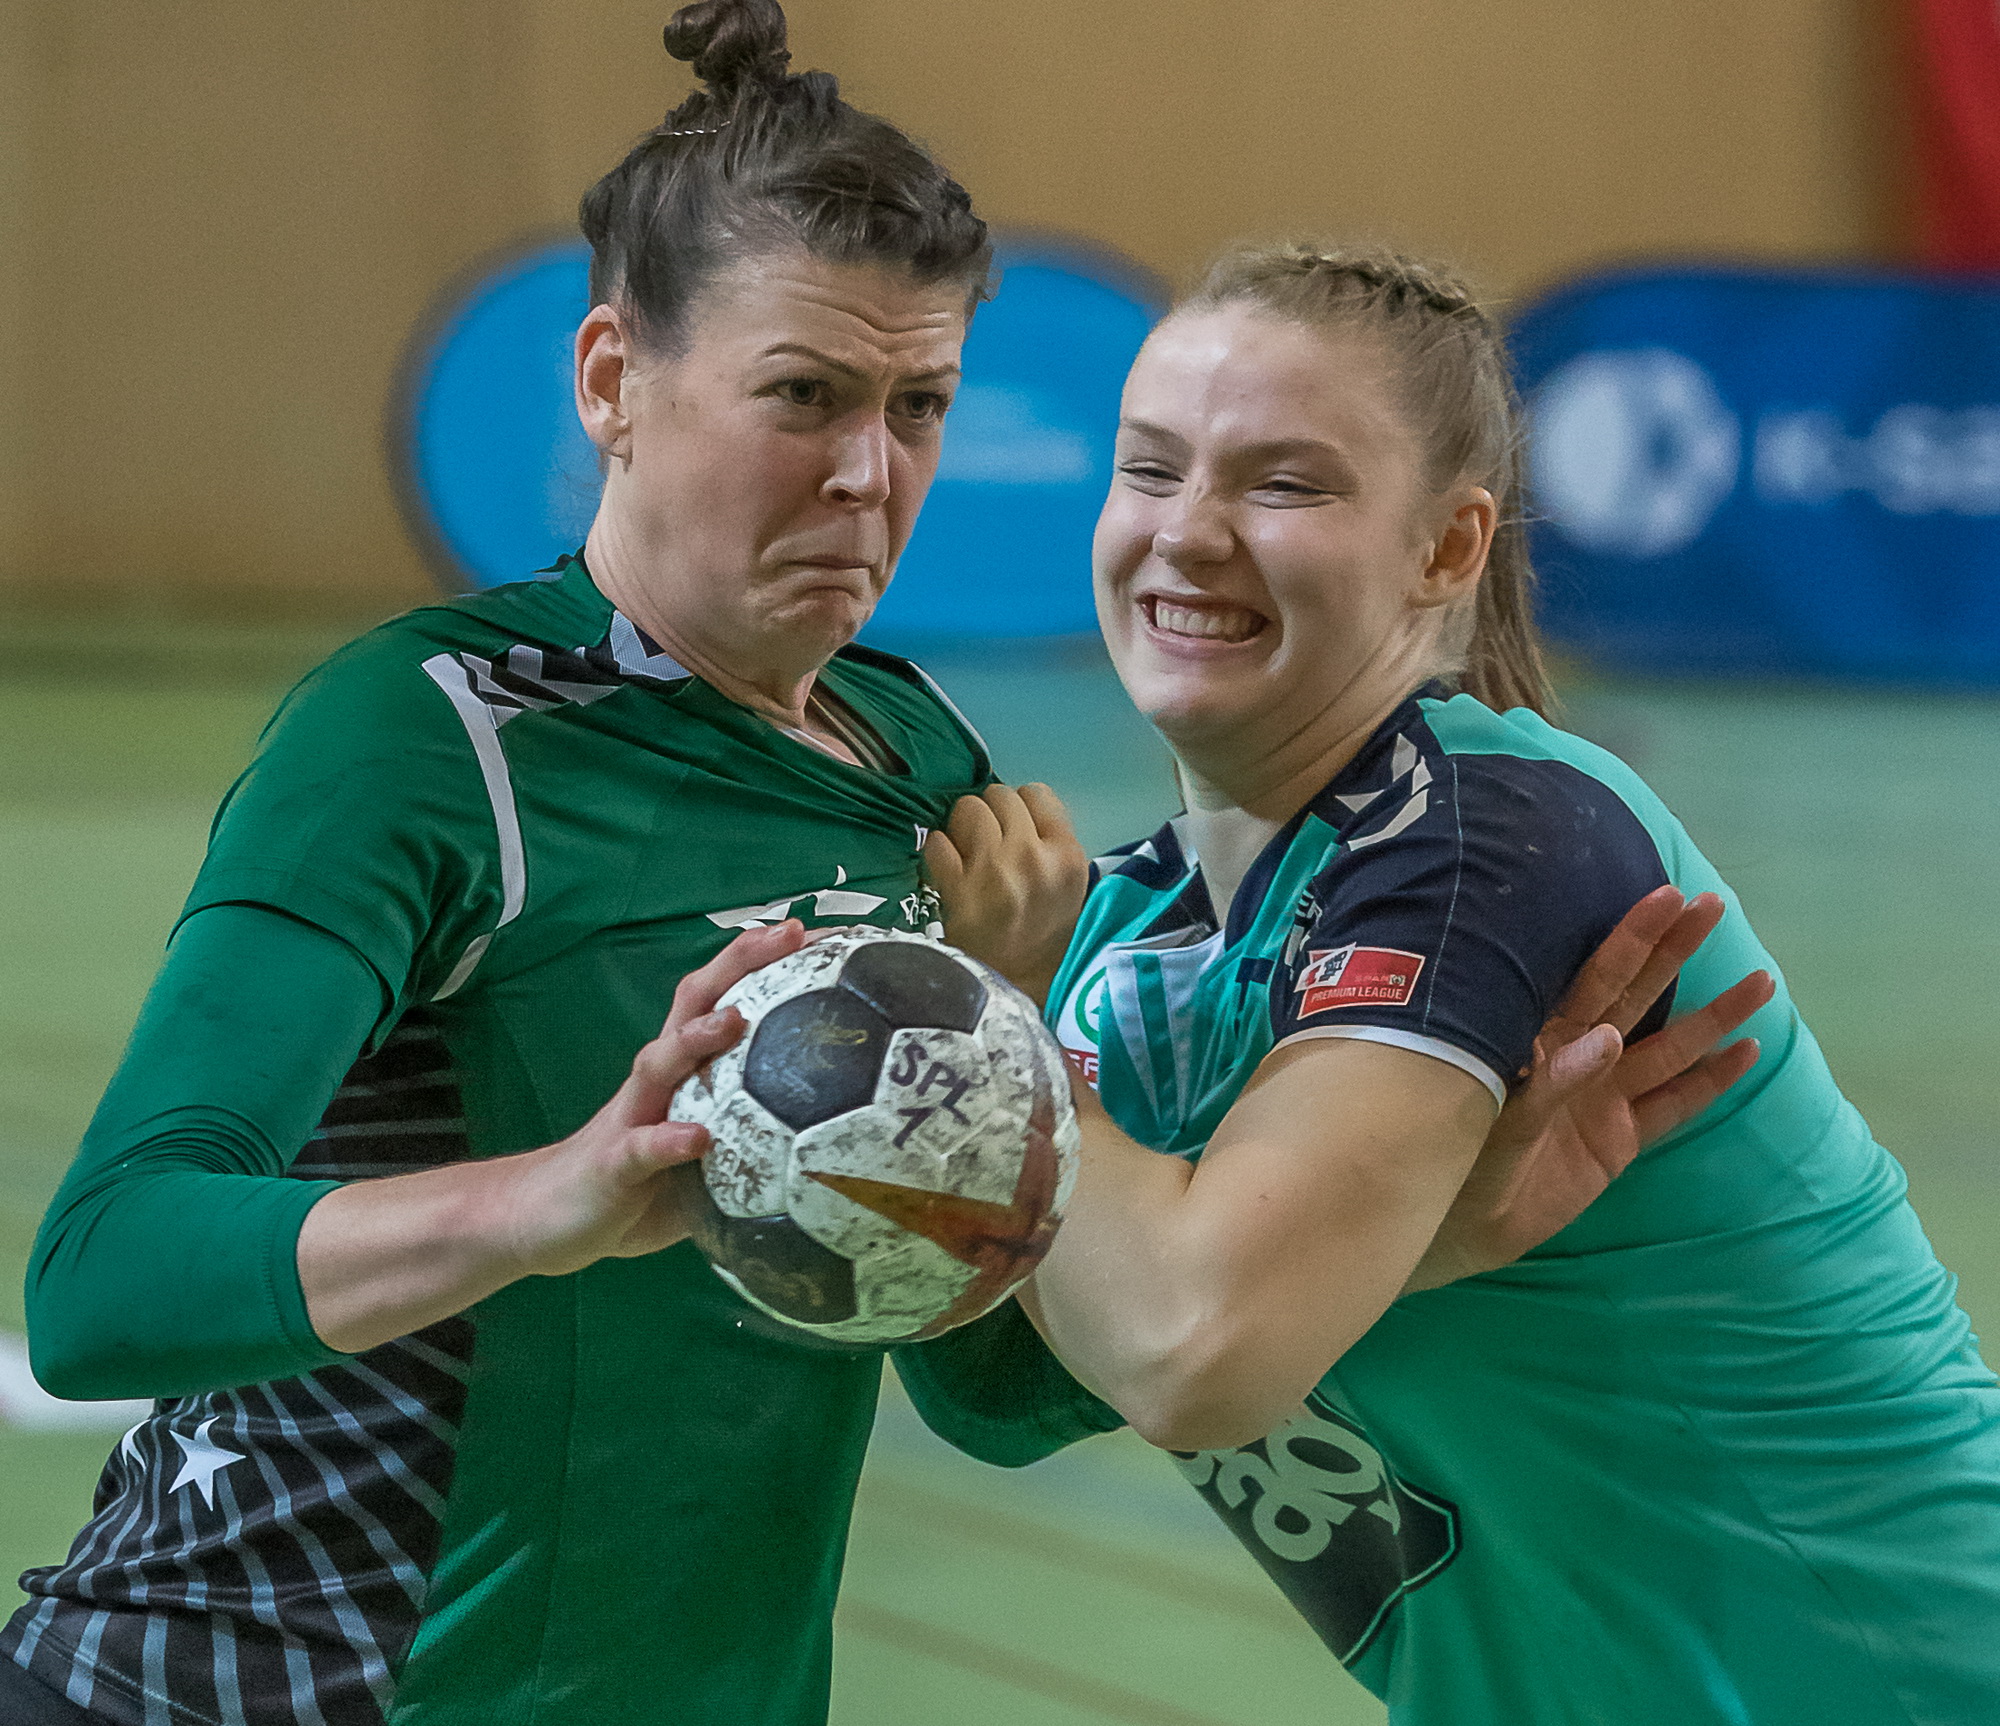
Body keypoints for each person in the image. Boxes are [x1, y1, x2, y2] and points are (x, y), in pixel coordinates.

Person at [3, 9, 1758, 1723]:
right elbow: (105, 1273)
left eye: (920, 404)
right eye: (805, 395)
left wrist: (1410, 1224)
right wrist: (553, 1198)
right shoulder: (427, 736)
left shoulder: (924, 782)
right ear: (616, 377)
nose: (869, 473)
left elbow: (985, 1379)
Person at [911, 242, 2000, 1724]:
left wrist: (1004, 1024)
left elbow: (1184, 1348)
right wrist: (1420, 1245)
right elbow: (992, 1394)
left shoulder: (1489, 832)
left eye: (1284, 484)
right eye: (1150, 469)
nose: (1191, 533)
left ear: (1446, 548)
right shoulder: (1122, 930)